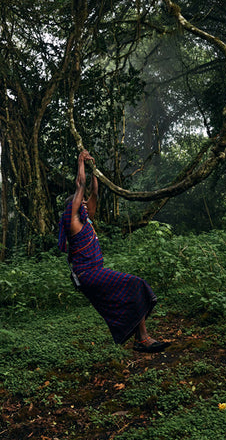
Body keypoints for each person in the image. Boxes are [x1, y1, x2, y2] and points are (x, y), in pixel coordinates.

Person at [58, 150, 169, 352]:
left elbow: (94, 194)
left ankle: (141, 339)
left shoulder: (86, 219)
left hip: (95, 271)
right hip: (88, 274)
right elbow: (80, 187)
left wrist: (95, 172)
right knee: (134, 284)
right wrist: (80, 162)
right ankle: (142, 339)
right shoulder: (72, 221)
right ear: (72, 208)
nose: (84, 203)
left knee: (132, 289)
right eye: (80, 202)